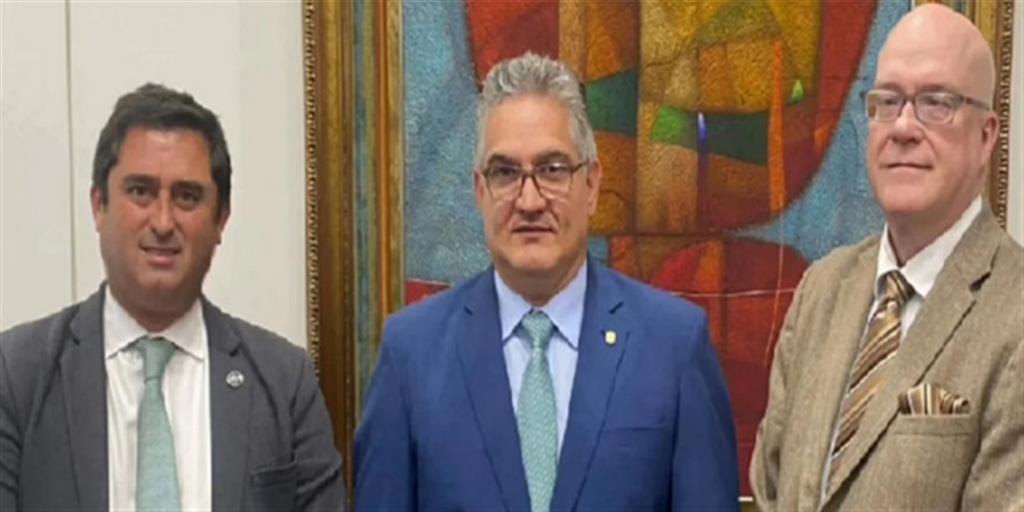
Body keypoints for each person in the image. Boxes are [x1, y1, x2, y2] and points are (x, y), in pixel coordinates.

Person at [355, 52, 739, 511]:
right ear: (480, 191)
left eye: (552, 170)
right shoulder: (411, 355)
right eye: (505, 173)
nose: (530, 201)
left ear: (591, 185)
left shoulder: (674, 346)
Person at [0, 84, 345, 511]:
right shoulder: (17, 377)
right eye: (140, 191)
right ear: (98, 205)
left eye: (187, 197)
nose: (163, 222)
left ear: (221, 219)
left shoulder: (284, 382)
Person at [750, 4, 1023, 510]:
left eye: (936, 102)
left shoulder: (1015, 313)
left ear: (986, 136)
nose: (903, 127)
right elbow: (771, 488)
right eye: (888, 101)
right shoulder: (821, 289)